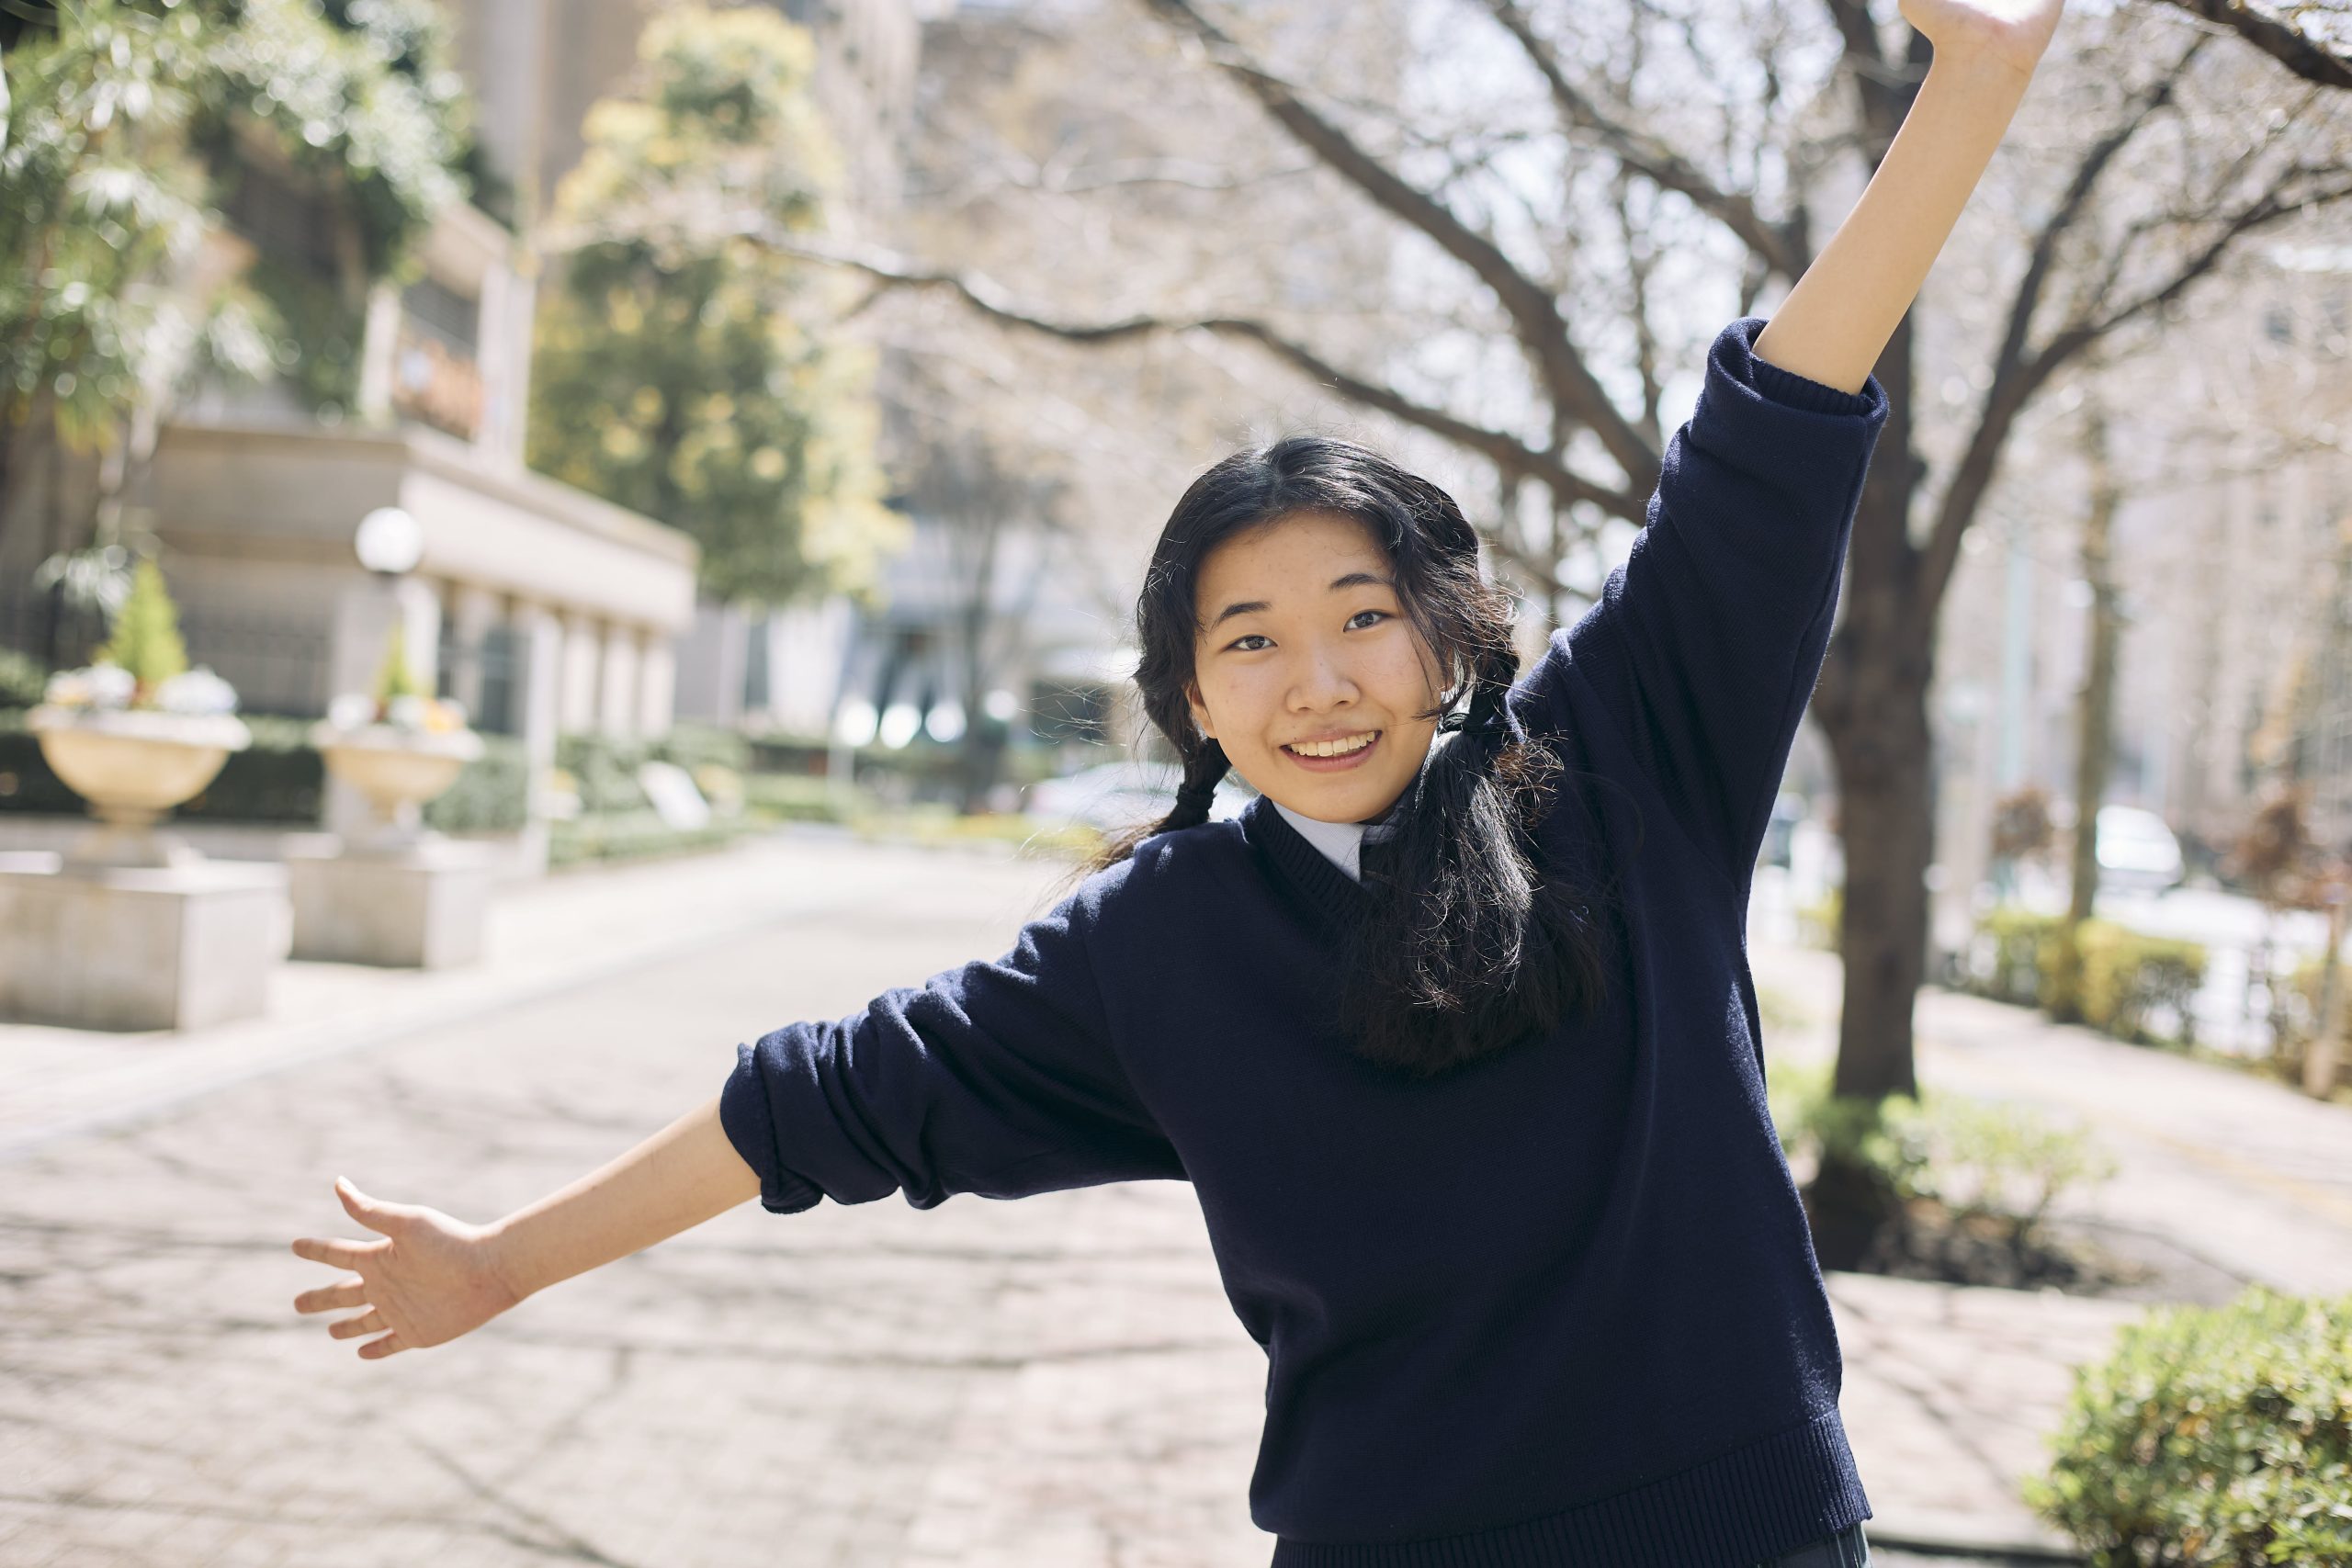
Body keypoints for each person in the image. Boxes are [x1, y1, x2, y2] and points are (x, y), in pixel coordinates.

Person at [291, 3, 2064, 1562]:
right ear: (1192, 702)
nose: (1316, 682)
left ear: (1448, 637)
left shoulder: (1616, 772)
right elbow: (822, 1103)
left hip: (1737, 1536)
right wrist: (506, 1262)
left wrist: (1970, 86)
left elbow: (1768, 433)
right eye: (1250, 643)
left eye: (1362, 617)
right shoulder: (1157, 947)